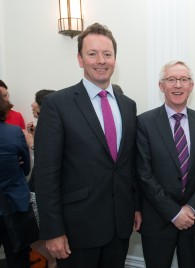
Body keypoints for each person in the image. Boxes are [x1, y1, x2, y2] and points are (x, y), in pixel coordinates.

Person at [34, 23, 142, 268]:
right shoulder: (57, 105)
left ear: (115, 58)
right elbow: (46, 174)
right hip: (77, 229)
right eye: (92, 54)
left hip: (119, 225)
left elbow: (129, 165)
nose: (100, 60)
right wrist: (52, 230)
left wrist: (135, 206)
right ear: (80, 59)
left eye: (107, 54)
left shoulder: (128, 105)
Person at [136, 60, 195, 268]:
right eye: (171, 79)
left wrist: (191, 208)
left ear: (192, 85)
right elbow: (144, 174)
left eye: (184, 79)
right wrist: (174, 212)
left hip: (193, 220)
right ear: (161, 86)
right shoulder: (144, 123)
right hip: (157, 220)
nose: (178, 85)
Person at [21, 89, 57, 268]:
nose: (32, 105)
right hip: (36, 188)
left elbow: (49, 161)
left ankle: (52, 261)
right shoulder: (43, 124)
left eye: (35, 101)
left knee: (34, 234)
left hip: (38, 191)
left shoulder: (49, 126)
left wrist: (32, 144)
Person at [0, 96, 31, 267]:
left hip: (11, 204)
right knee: (18, 257)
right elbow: (26, 168)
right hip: (14, 205)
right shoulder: (13, 132)